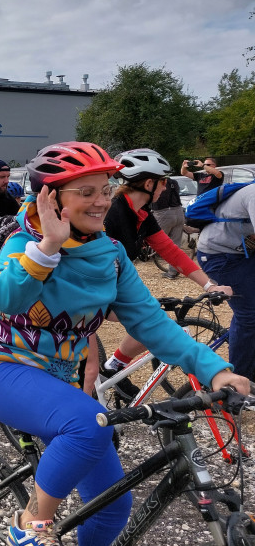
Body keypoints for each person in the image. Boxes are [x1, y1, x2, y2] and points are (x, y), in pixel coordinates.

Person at [0, 141, 248, 546]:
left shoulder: (112, 254)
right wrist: (50, 246)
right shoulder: (22, 244)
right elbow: (7, 299)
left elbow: (151, 323)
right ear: (50, 199)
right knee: (88, 426)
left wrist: (215, 370)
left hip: (60, 376)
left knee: (114, 506)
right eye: (86, 192)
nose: (102, 200)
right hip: (1, 365)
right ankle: (32, 523)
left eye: (106, 189)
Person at [98, 149, 231, 396]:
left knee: (151, 318)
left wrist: (209, 285)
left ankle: (112, 367)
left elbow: (171, 251)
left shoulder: (142, 214)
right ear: (149, 184)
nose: (165, 187)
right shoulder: (112, 214)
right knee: (148, 321)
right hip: (95, 287)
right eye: (163, 182)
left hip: (118, 283)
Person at [196, 180, 255, 379]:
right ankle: (239, 381)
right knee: (248, 315)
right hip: (218, 255)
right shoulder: (253, 194)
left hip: (242, 252)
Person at [150, 174, 185, 278]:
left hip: (163, 213)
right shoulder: (174, 182)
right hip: (178, 212)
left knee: (161, 242)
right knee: (176, 244)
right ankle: (173, 271)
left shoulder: (155, 182)